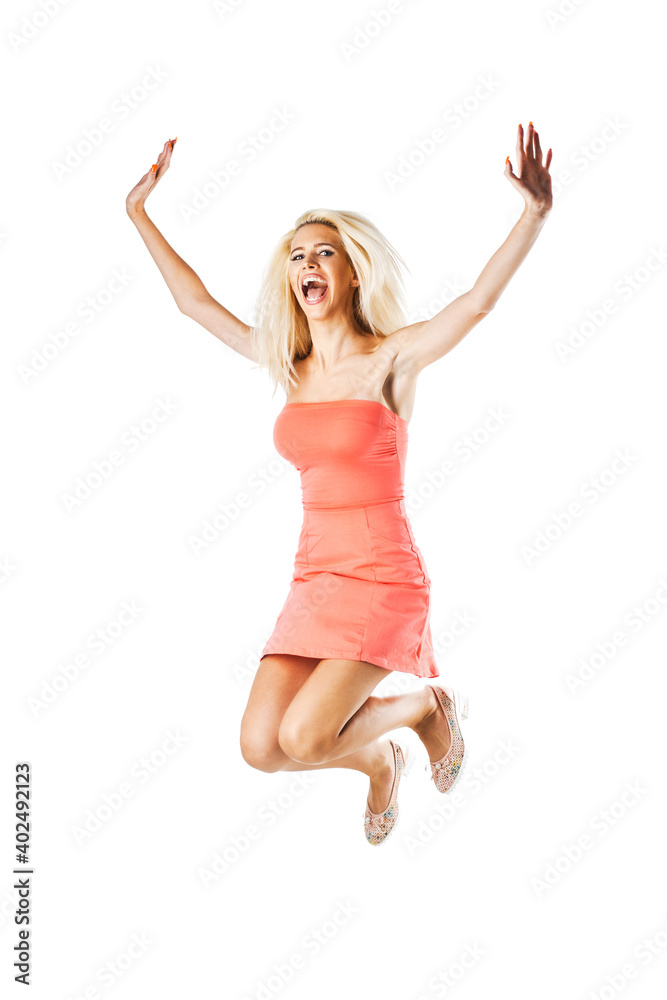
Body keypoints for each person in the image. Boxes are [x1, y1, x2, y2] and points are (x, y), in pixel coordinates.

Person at [126, 124, 552, 846]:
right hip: (315, 576)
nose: (308, 263)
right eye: (297, 256)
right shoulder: (286, 363)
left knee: (305, 731)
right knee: (264, 746)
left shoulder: (392, 359)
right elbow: (194, 306)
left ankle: (420, 709)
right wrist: (139, 213)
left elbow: (476, 303)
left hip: (383, 576)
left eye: (324, 252)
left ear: (351, 271)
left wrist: (532, 215)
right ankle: (379, 761)